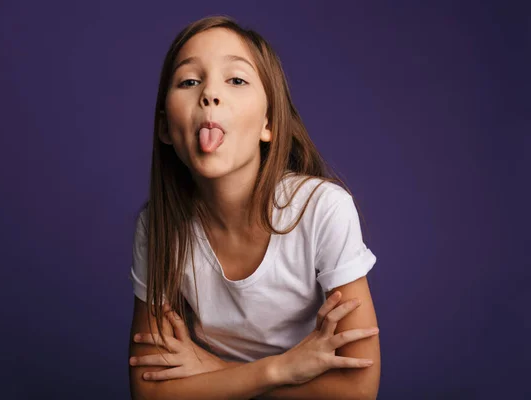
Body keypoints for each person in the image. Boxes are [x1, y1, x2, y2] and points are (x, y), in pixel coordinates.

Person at [128, 15, 380, 400]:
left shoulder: (322, 209)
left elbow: (357, 390)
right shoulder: (159, 227)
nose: (209, 94)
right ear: (165, 128)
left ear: (269, 124)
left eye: (236, 80)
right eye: (190, 81)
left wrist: (210, 372)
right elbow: (150, 391)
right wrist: (283, 369)